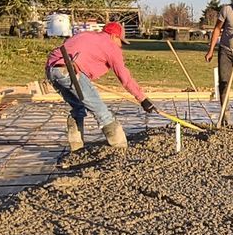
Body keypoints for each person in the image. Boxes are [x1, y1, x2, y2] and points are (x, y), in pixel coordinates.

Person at [45, 19, 157, 151]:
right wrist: (142, 99)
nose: (120, 45)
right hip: (71, 72)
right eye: (120, 41)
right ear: (114, 36)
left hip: (52, 70)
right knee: (102, 112)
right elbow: (125, 78)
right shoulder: (111, 46)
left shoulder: (86, 35)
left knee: (78, 108)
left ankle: (75, 147)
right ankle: (120, 148)